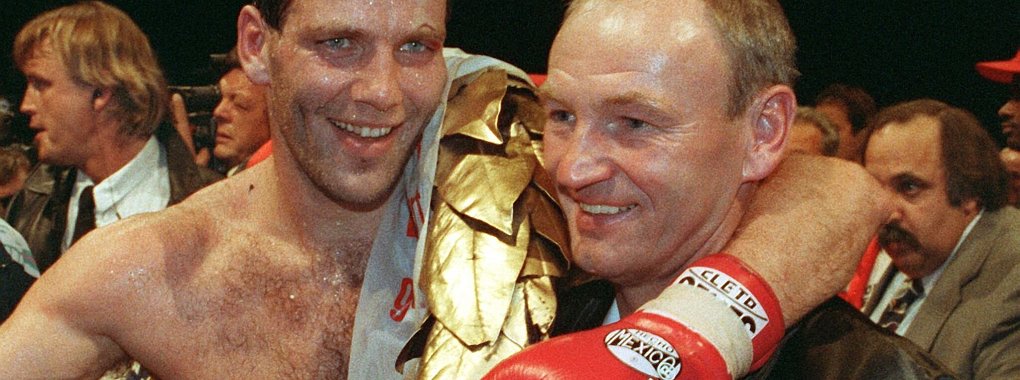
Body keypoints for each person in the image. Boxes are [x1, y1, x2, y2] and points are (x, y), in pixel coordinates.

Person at [0, 0, 890, 378]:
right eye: (339, 43)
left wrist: (677, 340)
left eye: (417, 45)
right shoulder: (144, 273)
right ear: (257, 43)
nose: (383, 91)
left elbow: (823, 190)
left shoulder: (495, 164)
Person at [487, 1, 952, 379]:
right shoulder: (526, 322)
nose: (573, 168)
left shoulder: (870, 372)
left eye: (634, 122)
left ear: (764, 133)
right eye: (562, 116)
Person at [0, 1, 221, 322]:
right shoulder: (33, 200)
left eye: (40, 84)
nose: (25, 105)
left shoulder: (210, 208)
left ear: (100, 91)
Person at [860, 99, 1020, 379]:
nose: (885, 212)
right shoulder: (918, 249)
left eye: (909, 187)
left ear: (969, 193)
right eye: (875, 189)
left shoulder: (1012, 279)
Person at [814, 83, 878, 163]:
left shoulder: (878, 174)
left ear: (862, 136)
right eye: (818, 129)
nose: (821, 140)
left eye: (833, 130)